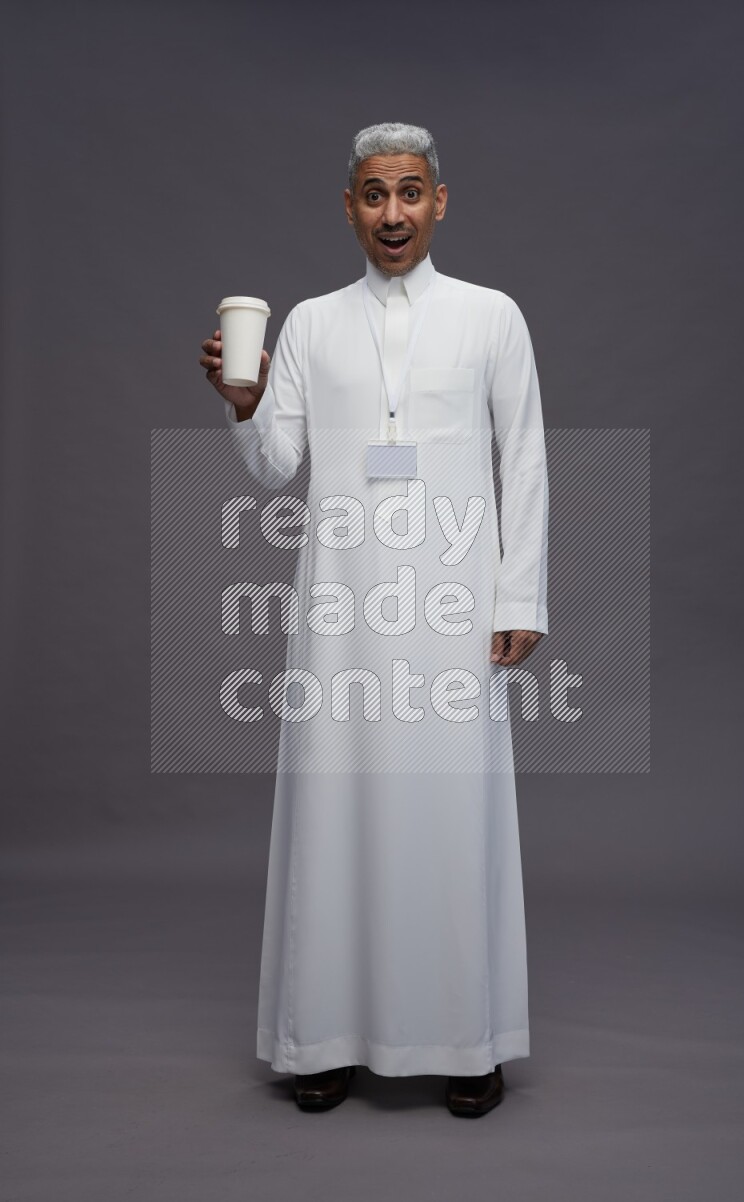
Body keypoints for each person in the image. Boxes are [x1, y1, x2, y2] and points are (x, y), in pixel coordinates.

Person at [199, 122, 548, 1117]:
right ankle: (326, 1034)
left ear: (440, 202)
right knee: (336, 806)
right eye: (370, 195)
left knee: (453, 809)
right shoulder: (309, 323)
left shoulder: (491, 317)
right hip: (342, 602)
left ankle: (466, 1037)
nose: (390, 213)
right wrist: (243, 401)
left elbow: (521, 458)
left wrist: (516, 594)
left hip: (450, 601)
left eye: (407, 192)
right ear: (346, 207)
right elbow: (275, 465)